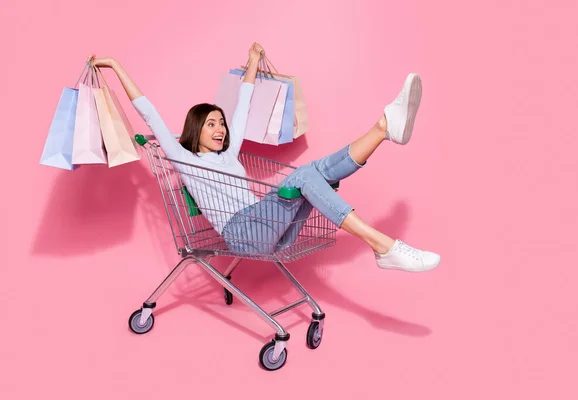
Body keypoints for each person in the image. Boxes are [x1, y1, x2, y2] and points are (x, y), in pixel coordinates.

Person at [90, 42, 440, 272]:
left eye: (221, 124)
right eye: (211, 124)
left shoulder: (230, 153)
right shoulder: (184, 159)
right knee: (305, 176)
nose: (220, 129)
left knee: (314, 172)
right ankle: (383, 246)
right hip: (243, 232)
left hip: (268, 226)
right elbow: (149, 113)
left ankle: (382, 127)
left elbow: (242, 108)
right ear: (194, 130)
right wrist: (116, 66)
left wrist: (253, 64)